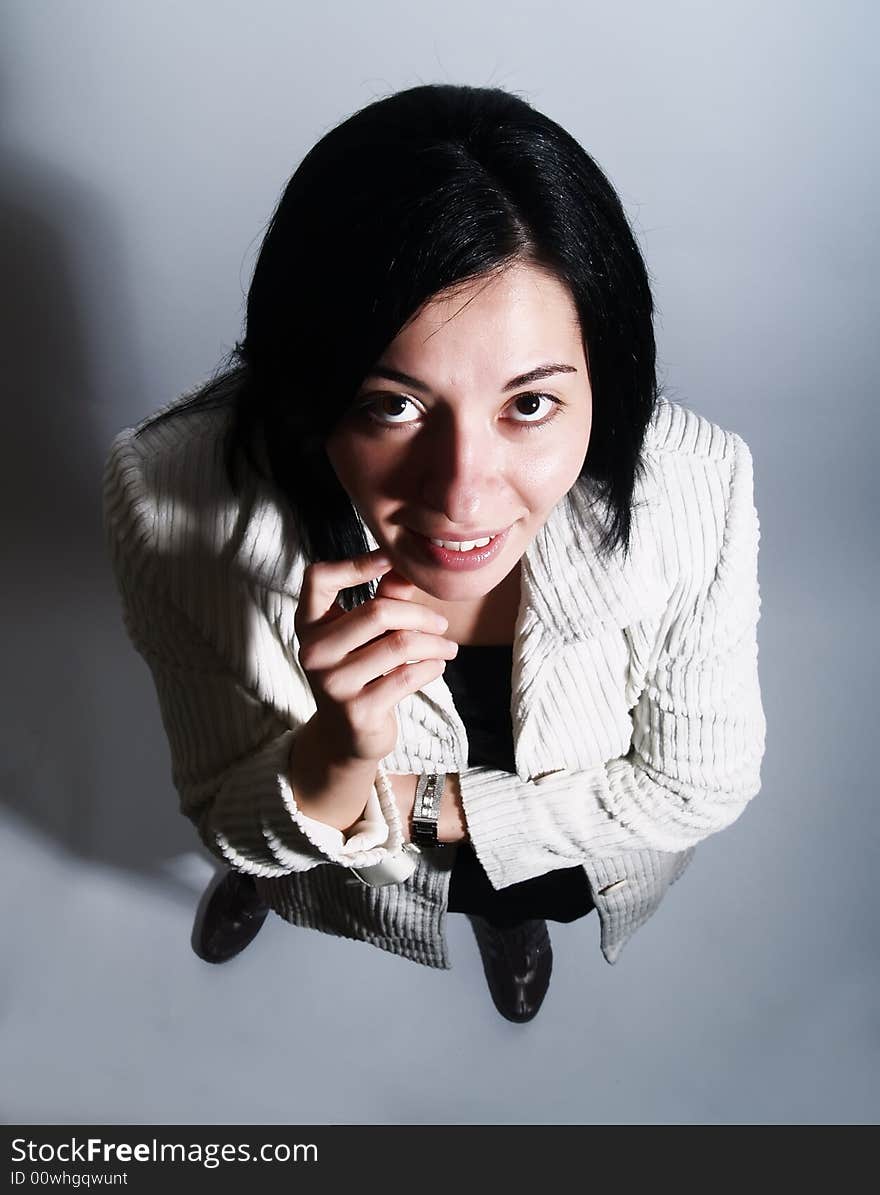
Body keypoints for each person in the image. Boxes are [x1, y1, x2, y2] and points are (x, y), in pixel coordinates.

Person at [103, 83, 767, 1024]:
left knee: (514, 884)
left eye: (529, 404)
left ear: (605, 379)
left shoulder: (699, 484)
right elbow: (220, 800)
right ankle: (275, 885)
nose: (462, 493)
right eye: (392, 404)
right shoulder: (170, 492)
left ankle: (504, 920)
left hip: (516, 829)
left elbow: (695, 785)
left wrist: (421, 808)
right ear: (311, 382)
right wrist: (333, 756)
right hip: (320, 811)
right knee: (273, 851)